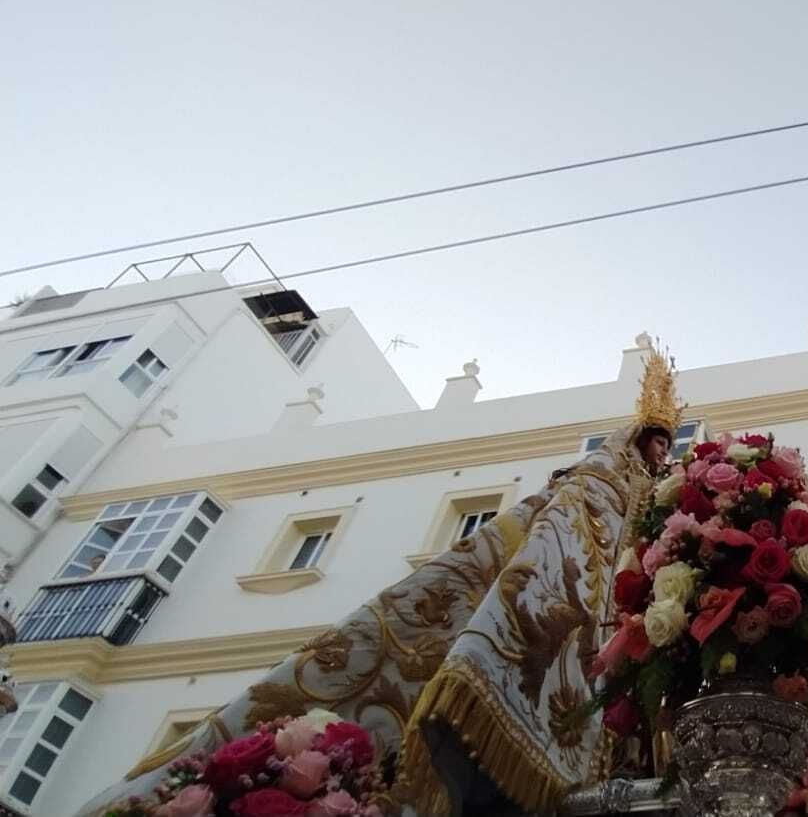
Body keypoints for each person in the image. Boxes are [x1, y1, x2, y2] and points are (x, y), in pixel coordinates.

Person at [77, 346, 687, 817]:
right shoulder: (599, 478)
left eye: (667, 442)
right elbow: (562, 532)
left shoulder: (655, 494)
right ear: (634, 438)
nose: (661, 451)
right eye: (655, 439)